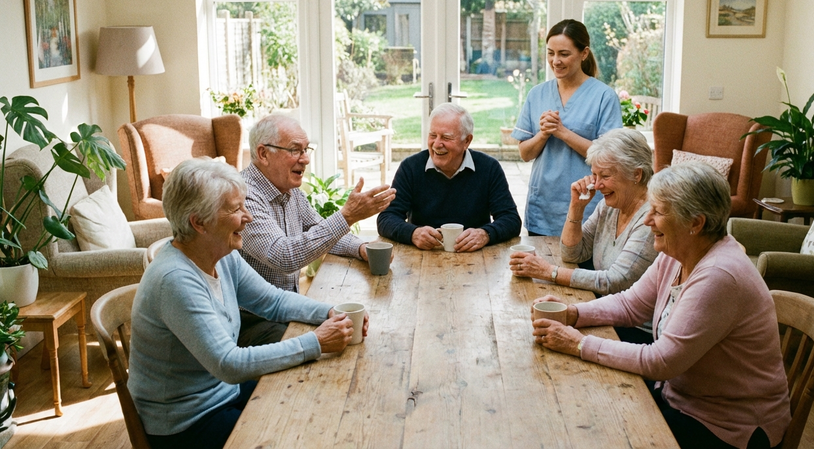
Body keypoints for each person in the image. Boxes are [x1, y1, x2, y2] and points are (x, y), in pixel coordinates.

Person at [532, 162, 790, 449]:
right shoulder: (678, 251)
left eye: (658, 211)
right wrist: (574, 312)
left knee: (601, 430)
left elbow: (661, 361)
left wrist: (579, 345)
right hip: (682, 399)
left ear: (695, 222)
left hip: (728, 426)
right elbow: (631, 304)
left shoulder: (718, 275)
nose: (646, 220)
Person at [129, 158, 366, 449]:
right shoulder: (174, 279)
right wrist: (315, 342)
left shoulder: (221, 254)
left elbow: (272, 301)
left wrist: (330, 312)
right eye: (235, 209)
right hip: (187, 422)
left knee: (312, 401)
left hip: (223, 393)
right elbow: (229, 364)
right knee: (299, 433)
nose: (248, 216)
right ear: (199, 222)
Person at [239, 114, 395, 345]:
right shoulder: (243, 197)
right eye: (295, 150)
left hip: (286, 309)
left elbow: (320, 231)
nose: (305, 159)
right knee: (336, 345)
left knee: (361, 330)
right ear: (264, 154)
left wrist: (361, 248)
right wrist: (348, 215)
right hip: (252, 320)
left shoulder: (289, 192)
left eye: (305, 150)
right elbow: (283, 257)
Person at [510, 129, 658, 342]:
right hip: (605, 312)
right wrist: (576, 207)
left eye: (605, 176)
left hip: (635, 330)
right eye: (594, 175)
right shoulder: (609, 206)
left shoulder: (651, 218)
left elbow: (615, 281)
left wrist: (547, 271)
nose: (596, 185)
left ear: (637, 174)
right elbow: (572, 253)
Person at [513, 19, 622, 236]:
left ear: (584, 53)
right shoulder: (537, 94)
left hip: (587, 207)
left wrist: (562, 132)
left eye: (564, 54)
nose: (556, 61)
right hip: (543, 208)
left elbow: (609, 158)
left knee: (582, 269)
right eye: (550, 53)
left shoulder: (604, 97)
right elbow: (525, 154)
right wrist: (543, 134)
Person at [377, 103, 521, 251]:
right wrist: (413, 233)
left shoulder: (489, 167)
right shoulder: (411, 167)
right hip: (423, 257)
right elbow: (386, 218)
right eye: (433, 135)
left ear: (467, 141)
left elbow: (511, 219)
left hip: (475, 257)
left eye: (446, 137)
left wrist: (485, 234)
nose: (437, 144)